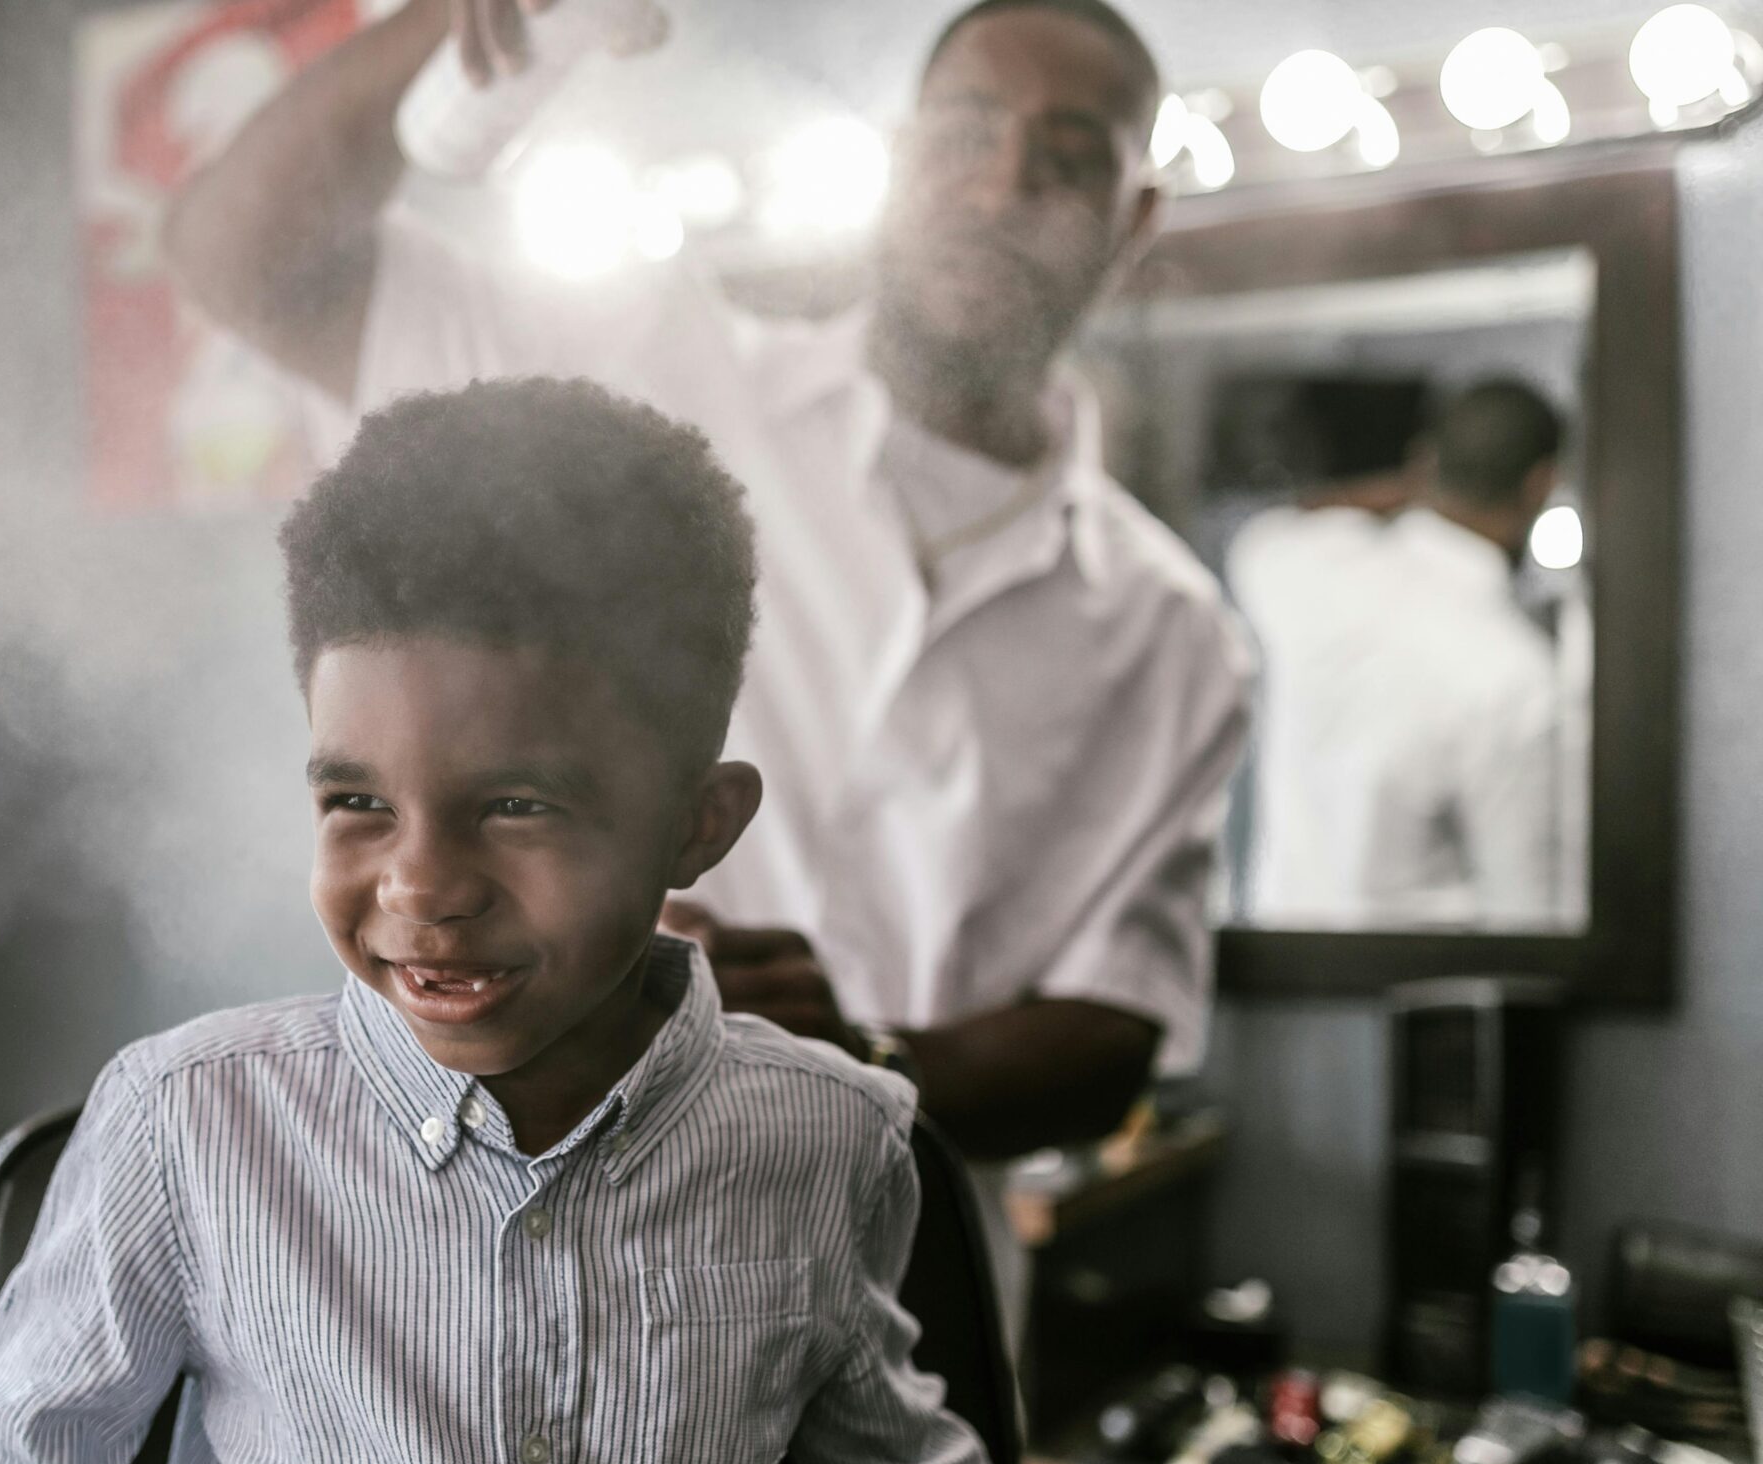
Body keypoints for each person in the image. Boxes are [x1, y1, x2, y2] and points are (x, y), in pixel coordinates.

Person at [0, 379, 1093, 1464]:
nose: (422, 886)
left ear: (700, 823)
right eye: (358, 800)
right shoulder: (190, 1123)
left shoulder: (830, 1134)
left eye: (516, 804)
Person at [162, 0, 1255, 1329]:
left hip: (894, 1313)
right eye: (966, 133)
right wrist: (467, 20)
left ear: (1132, 220)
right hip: (528, 1278)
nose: (1004, 185)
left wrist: (860, 1060)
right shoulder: (639, 378)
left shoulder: (1169, 629)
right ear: (901, 157)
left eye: (1070, 157)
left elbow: (1108, 1032)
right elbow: (241, 258)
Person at [1231, 378, 1570, 929]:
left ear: (1423, 463)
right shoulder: (1516, 673)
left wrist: (1422, 489)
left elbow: (1275, 525)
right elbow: (1528, 915)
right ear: (1541, 485)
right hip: (1415, 992)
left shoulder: (1304, 567)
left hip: (1280, 976)